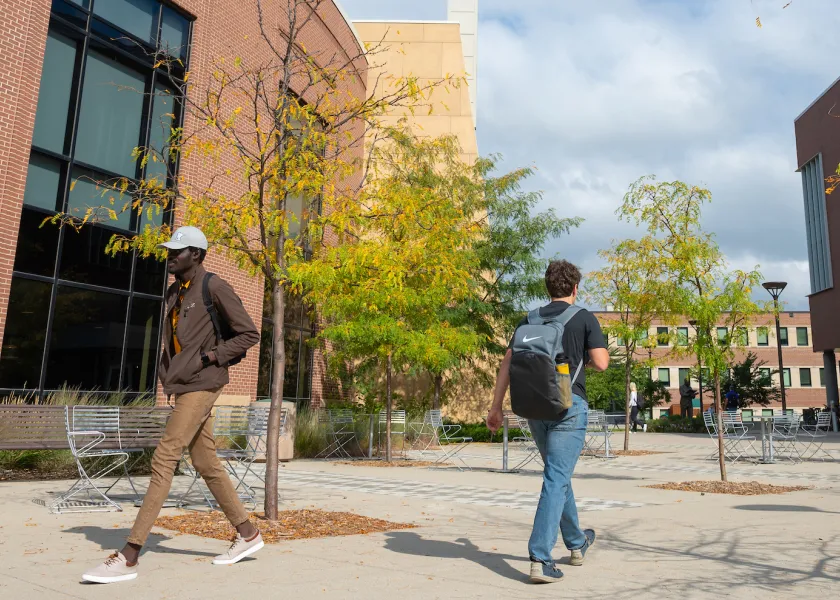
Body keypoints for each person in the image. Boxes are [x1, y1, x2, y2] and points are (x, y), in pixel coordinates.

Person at [83, 226, 262, 584]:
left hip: (205, 382)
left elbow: (249, 333)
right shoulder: (173, 294)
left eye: (177, 251)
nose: (170, 256)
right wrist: (171, 376)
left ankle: (130, 554)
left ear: (196, 254)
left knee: (165, 456)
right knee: (205, 461)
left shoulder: (214, 286)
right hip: (184, 386)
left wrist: (211, 356)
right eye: (170, 250)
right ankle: (248, 534)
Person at [487, 260, 609, 584]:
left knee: (558, 475)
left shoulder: (529, 320)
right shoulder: (583, 317)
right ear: (574, 288)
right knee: (557, 477)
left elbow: (506, 365)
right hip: (569, 408)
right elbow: (601, 363)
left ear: (548, 288)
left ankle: (577, 542)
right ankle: (540, 557)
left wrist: (496, 407)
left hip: (534, 410)